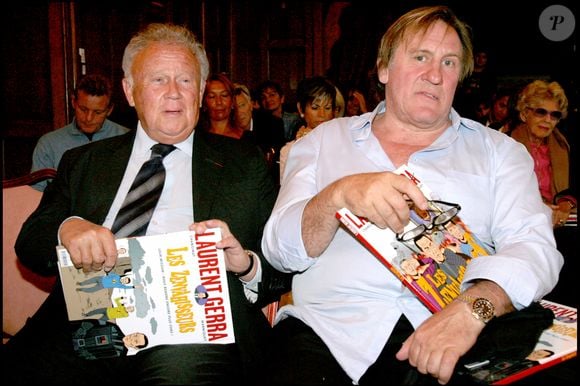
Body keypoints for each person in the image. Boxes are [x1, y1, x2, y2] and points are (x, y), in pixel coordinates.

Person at [261, 6, 562, 386]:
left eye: (449, 62)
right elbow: (279, 251)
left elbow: (534, 248)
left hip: (456, 334)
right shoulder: (323, 141)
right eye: (420, 57)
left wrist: (474, 308)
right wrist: (337, 195)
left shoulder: (500, 153)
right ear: (384, 68)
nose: (435, 75)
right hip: (330, 336)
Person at [5, 22, 289, 385]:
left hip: (190, 333)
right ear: (130, 91)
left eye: (185, 81)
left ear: (200, 92)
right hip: (85, 324)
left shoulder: (244, 163)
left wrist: (245, 264)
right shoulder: (84, 161)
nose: (173, 93)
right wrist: (67, 228)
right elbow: (29, 244)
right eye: (157, 80)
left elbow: (281, 268)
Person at [30, 73, 129, 191]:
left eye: (97, 112)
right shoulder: (48, 144)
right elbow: (36, 194)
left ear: (109, 110)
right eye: (83, 109)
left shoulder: (127, 138)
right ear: (73, 102)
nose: (88, 118)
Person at [509, 80, 576, 228]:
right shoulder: (506, 144)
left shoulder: (564, 146)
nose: (548, 120)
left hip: (562, 223)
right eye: (541, 112)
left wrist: (566, 203)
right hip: (519, 221)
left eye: (555, 115)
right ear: (525, 114)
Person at [278, 76, 337, 180]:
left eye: (327, 108)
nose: (322, 114)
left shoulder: (342, 141)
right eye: (315, 107)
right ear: (301, 109)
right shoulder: (289, 151)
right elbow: (290, 191)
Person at [200, 73, 245, 139]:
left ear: (232, 102)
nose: (219, 102)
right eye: (212, 96)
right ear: (204, 103)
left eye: (224, 95)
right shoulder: (197, 138)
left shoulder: (248, 139)